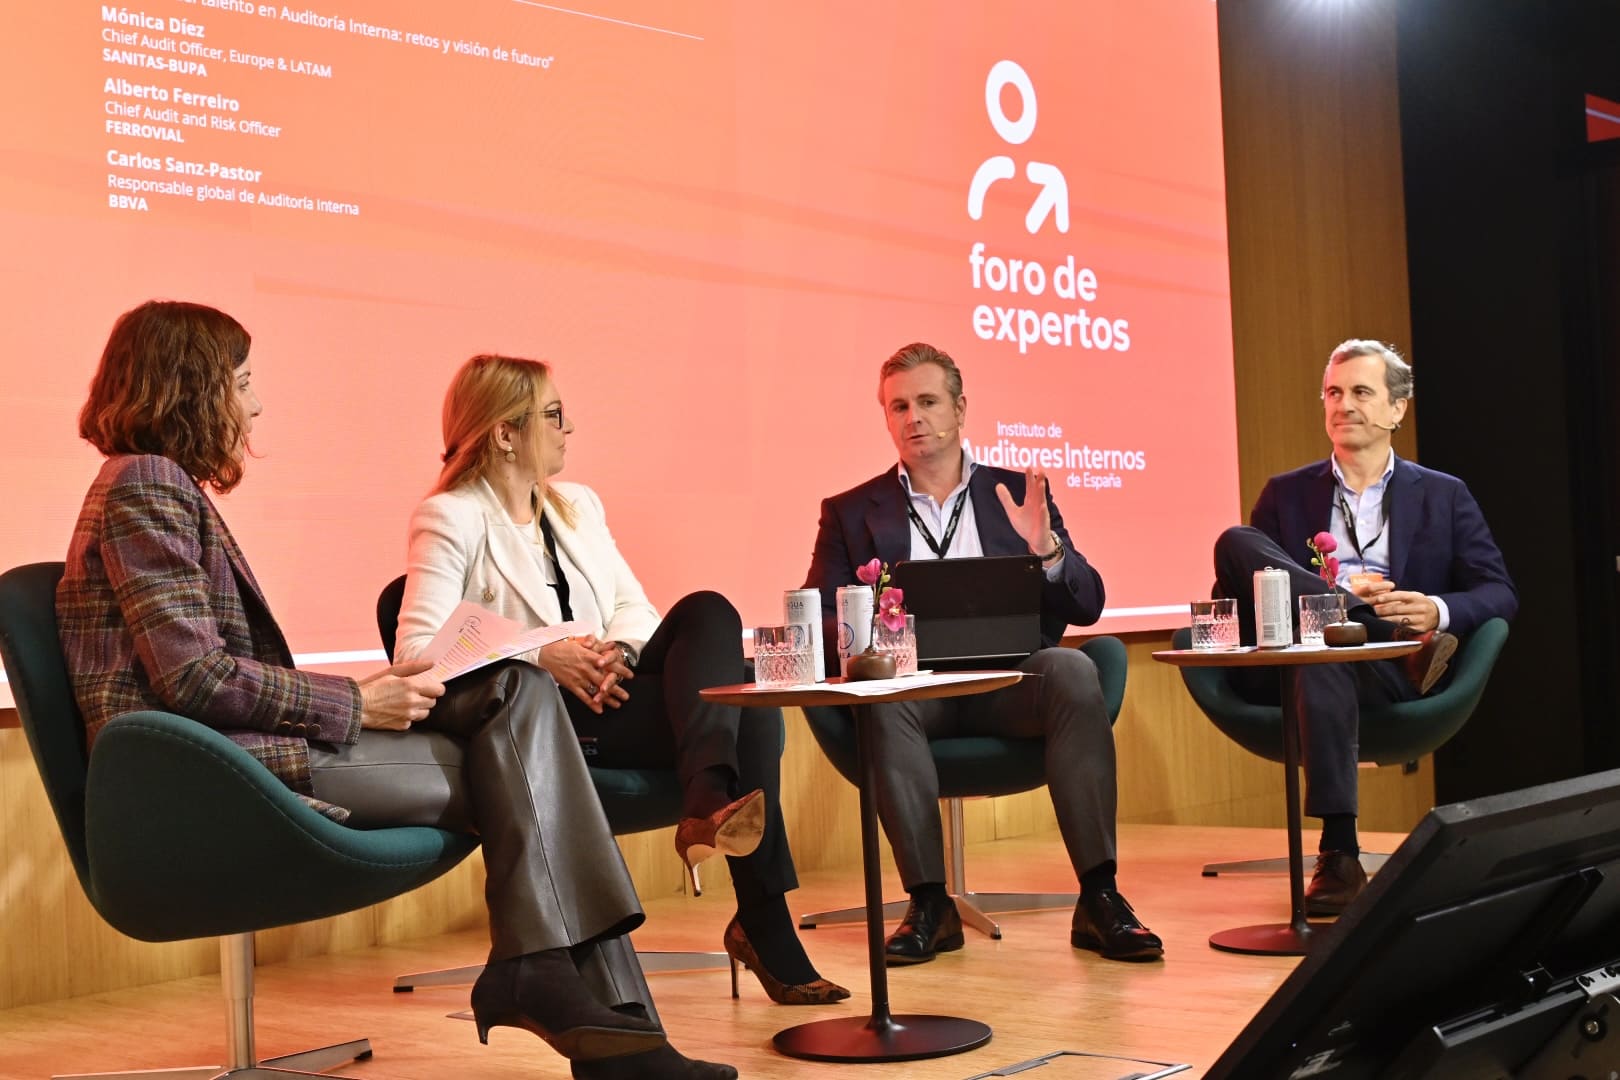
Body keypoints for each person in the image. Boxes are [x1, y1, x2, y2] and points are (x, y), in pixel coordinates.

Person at [56, 301, 735, 1080]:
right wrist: (357, 702)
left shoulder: (152, 484)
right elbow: (194, 678)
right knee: (530, 770)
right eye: (241, 384)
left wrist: (366, 694)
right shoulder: (146, 485)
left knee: (519, 695)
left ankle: (556, 985)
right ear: (191, 388)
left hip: (225, 748)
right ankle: (597, 1023)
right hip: (205, 771)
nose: (255, 404)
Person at [395, 353, 847, 1007]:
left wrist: (617, 655)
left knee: (712, 613)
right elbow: (416, 651)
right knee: (750, 708)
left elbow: (635, 609)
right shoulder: (450, 517)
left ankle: (707, 803)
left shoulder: (577, 505)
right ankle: (759, 914)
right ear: (504, 433)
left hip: (614, 694)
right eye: (553, 415)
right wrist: (544, 654)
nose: (569, 427)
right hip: (549, 722)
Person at [801, 342, 1162, 964]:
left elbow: (1087, 603)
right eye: (898, 406)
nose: (913, 417)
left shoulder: (1013, 493)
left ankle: (1100, 898)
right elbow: (820, 609)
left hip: (1009, 684)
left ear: (960, 408)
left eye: (927, 401)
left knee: (1073, 668)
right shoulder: (851, 512)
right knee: (884, 701)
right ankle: (929, 905)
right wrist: (870, 620)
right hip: (915, 690)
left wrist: (1047, 550)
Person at [1212, 338, 1517, 914]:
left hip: (1389, 667)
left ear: (1397, 408)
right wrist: (1339, 599)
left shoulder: (1444, 495)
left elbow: (1499, 590)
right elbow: (1244, 591)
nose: (1343, 405)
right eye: (1333, 392)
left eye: (1360, 392)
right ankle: (1353, 616)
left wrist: (1436, 609)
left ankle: (1338, 851)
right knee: (1241, 549)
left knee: (1326, 649)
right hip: (1304, 659)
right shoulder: (1285, 493)